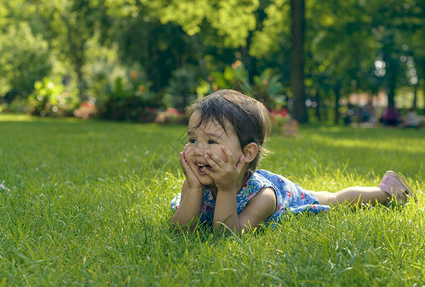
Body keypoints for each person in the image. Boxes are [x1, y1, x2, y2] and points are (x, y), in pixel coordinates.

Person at [170, 90, 418, 232]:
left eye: (211, 142)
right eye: (192, 140)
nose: (199, 151)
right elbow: (181, 231)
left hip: (286, 194)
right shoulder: (196, 184)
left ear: (246, 154)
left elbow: (226, 236)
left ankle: (388, 192)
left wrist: (225, 189)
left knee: (333, 199)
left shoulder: (264, 196)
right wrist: (193, 188)